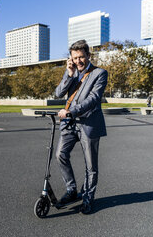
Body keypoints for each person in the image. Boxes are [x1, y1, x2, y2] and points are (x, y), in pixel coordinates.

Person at [54, 40, 108, 214]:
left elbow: (93, 100)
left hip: (89, 124)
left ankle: (88, 198)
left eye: (81, 57)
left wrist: (71, 112)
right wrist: (69, 75)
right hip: (70, 125)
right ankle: (71, 190)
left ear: (88, 56)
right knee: (60, 154)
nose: (78, 61)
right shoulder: (71, 72)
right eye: (75, 58)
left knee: (90, 166)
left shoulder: (99, 73)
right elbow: (58, 93)